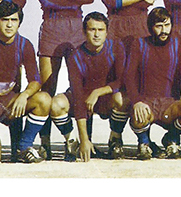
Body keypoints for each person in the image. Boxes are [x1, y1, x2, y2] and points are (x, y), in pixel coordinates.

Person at [32, 0, 94, 158]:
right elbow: (47, 0)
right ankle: (45, 142)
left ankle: (84, 141)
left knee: (82, 87)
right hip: (52, 27)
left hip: (76, 28)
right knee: (48, 88)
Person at [0, 0, 51, 164]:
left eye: (14, 20)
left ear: (19, 22)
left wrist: (24, 95)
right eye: (5, 20)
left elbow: (35, 80)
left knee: (44, 99)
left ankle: (23, 147)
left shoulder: (24, 45)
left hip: (11, 103)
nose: (9, 25)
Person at [50, 12, 130, 162]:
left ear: (107, 32)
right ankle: (72, 142)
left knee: (122, 98)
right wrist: (84, 139)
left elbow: (121, 81)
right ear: (84, 31)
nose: (96, 34)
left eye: (100, 30)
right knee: (56, 104)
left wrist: (98, 92)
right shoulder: (76, 56)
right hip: (83, 99)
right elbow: (78, 95)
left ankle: (115, 139)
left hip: (105, 99)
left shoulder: (116, 47)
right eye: (92, 29)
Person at [125, 7, 181, 160]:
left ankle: (171, 138)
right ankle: (144, 142)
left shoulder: (176, 45)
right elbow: (129, 76)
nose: (164, 30)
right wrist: (137, 101)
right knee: (138, 115)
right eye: (159, 26)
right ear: (150, 27)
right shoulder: (139, 44)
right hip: (146, 101)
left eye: (167, 25)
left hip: (170, 103)